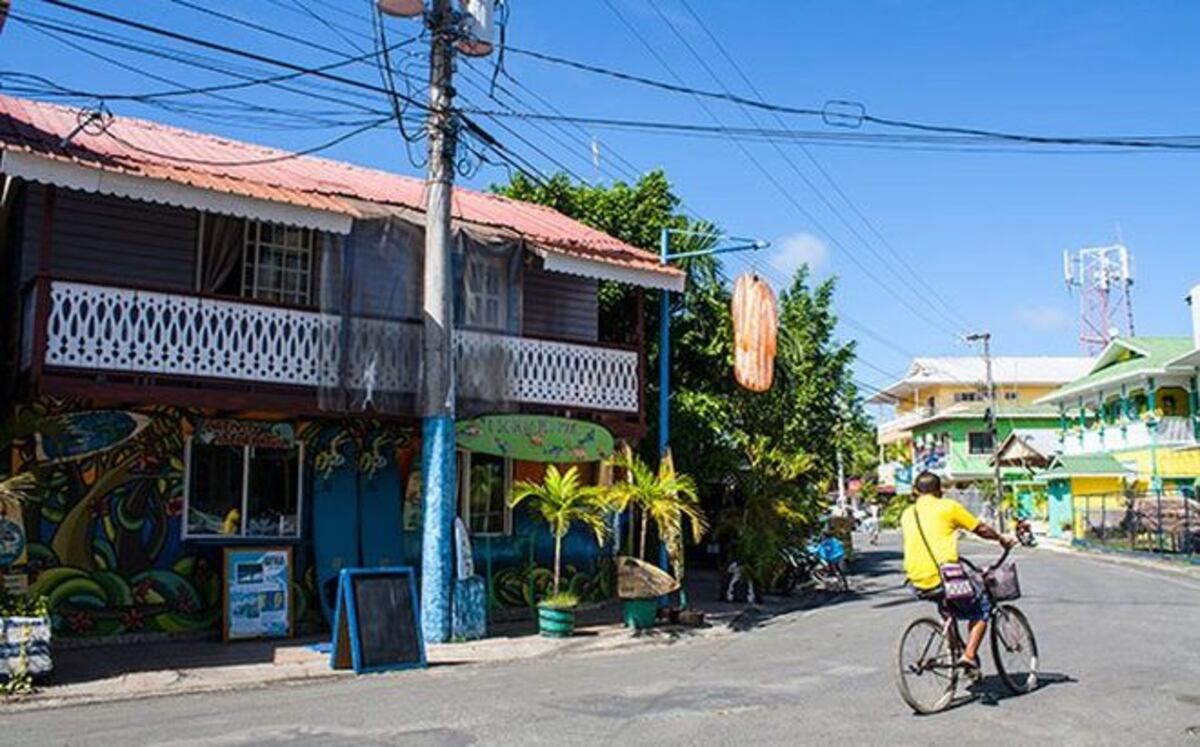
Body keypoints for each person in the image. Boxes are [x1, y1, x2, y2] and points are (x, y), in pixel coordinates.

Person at [900, 471, 1015, 672]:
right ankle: (969, 656)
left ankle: (954, 646)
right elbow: (980, 529)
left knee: (948, 608)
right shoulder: (948, 507)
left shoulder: (908, 513)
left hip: (915, 580)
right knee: (982, 606)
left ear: (915, 491)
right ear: (940, 491)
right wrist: (1001, 539)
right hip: (943, 577)